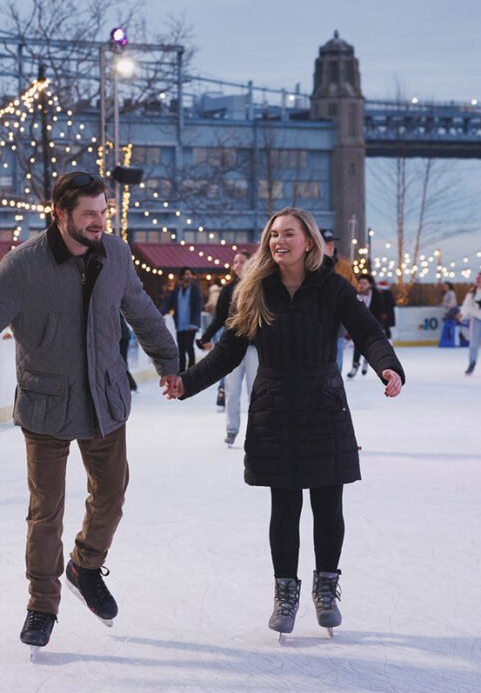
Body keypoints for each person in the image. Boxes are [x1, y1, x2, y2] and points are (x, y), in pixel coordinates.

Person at [0, 170, 179, 652]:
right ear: (60, 215)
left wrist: (172, 364)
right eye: (89, 215)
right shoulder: (23, 266)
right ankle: (42, 603)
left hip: (105, 401)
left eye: (103, 213)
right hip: (46, 407)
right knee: (45, 514)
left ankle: (86, 566)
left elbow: (141, 310)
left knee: (112, 495)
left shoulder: (115, 253)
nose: (99, 223)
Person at [163, 207, 404, 637]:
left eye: (288, 234)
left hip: (323, 404)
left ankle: (326, 587)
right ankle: (286, 593)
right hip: (275, 407)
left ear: (308, 241)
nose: (279, 241)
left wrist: (388, 367)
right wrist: (186, 383)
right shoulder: (254, 290)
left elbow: (368, 333)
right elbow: (227, 352)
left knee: (329, 503)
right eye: (273, 234)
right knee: (285, 505)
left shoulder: (333, 288)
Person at [197, 250, 256, 446]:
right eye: (235, 262)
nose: (236, 265)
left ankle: (257, 430)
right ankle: (231, 430)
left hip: (254, 347)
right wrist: (205, 336)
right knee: (232, 390)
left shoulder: (258, 287)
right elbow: (219, 318)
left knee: (256, 391)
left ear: (250, 263)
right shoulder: (228, 290)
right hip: (232, 348)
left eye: (241, 261)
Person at [321, 228, 356, 374]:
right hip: (313, 324)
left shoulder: (343, 267)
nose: (330, 245)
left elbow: (354, 290)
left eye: (332, 242)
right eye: (326, 242)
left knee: (335, 369)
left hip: (336, 325)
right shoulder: (305, 267)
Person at [160, 266, 202, 372]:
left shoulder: (195, 289)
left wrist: (194, 323)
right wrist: (159, 314)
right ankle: (181, 371)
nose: (188, 276)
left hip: (190, 324)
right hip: (180, 324)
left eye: (190, 274)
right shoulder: (177, 290)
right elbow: (168, 304)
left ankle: (192, 370)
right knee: (181, 349)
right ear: (182, 276)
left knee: (189, 347)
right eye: (186, 274)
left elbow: (198, 306)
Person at [347, 274, 388, 379]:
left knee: (370, 346)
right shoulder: (354, 294)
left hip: (373, 326)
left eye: (364, 283)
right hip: (358, 326)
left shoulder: (377, 296)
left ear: (370, 284)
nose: (361, 285)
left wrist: (380, 328)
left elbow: (380, 313)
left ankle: (366, 361)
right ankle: (355, 366)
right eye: (360, 283)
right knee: (358, 345)